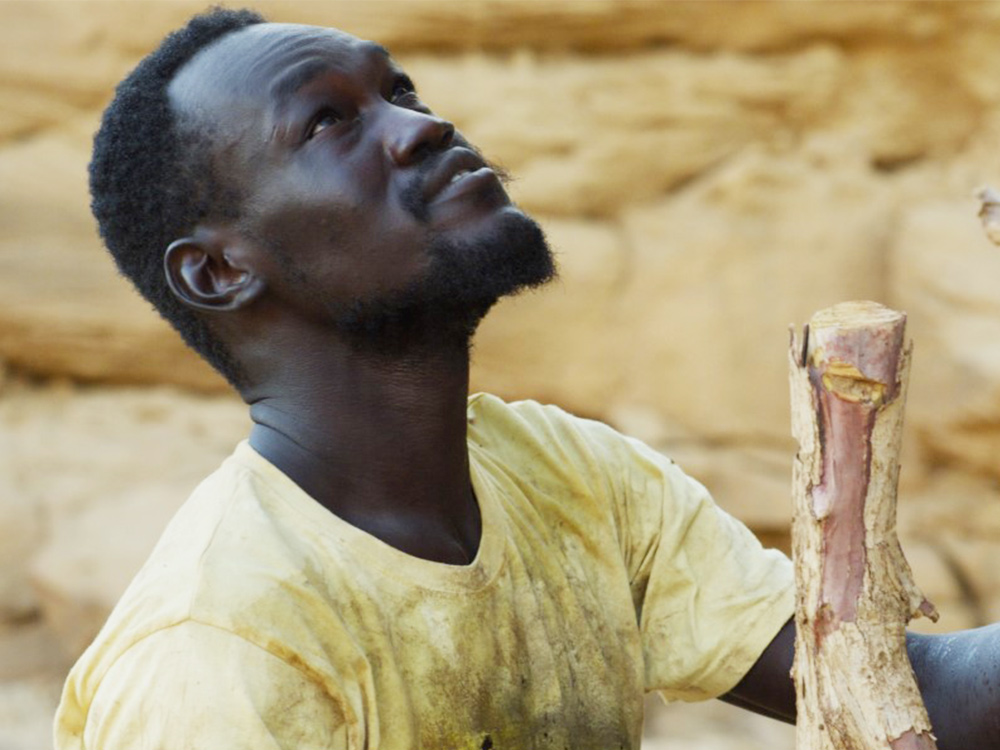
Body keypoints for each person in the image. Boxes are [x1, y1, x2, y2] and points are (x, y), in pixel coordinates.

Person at [54, 8, 1000, 750]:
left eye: (401, 91)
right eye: (329, 120)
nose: (422, 128)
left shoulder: (572, 478)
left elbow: (907, 698)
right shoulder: (221, 652)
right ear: (219, 271)